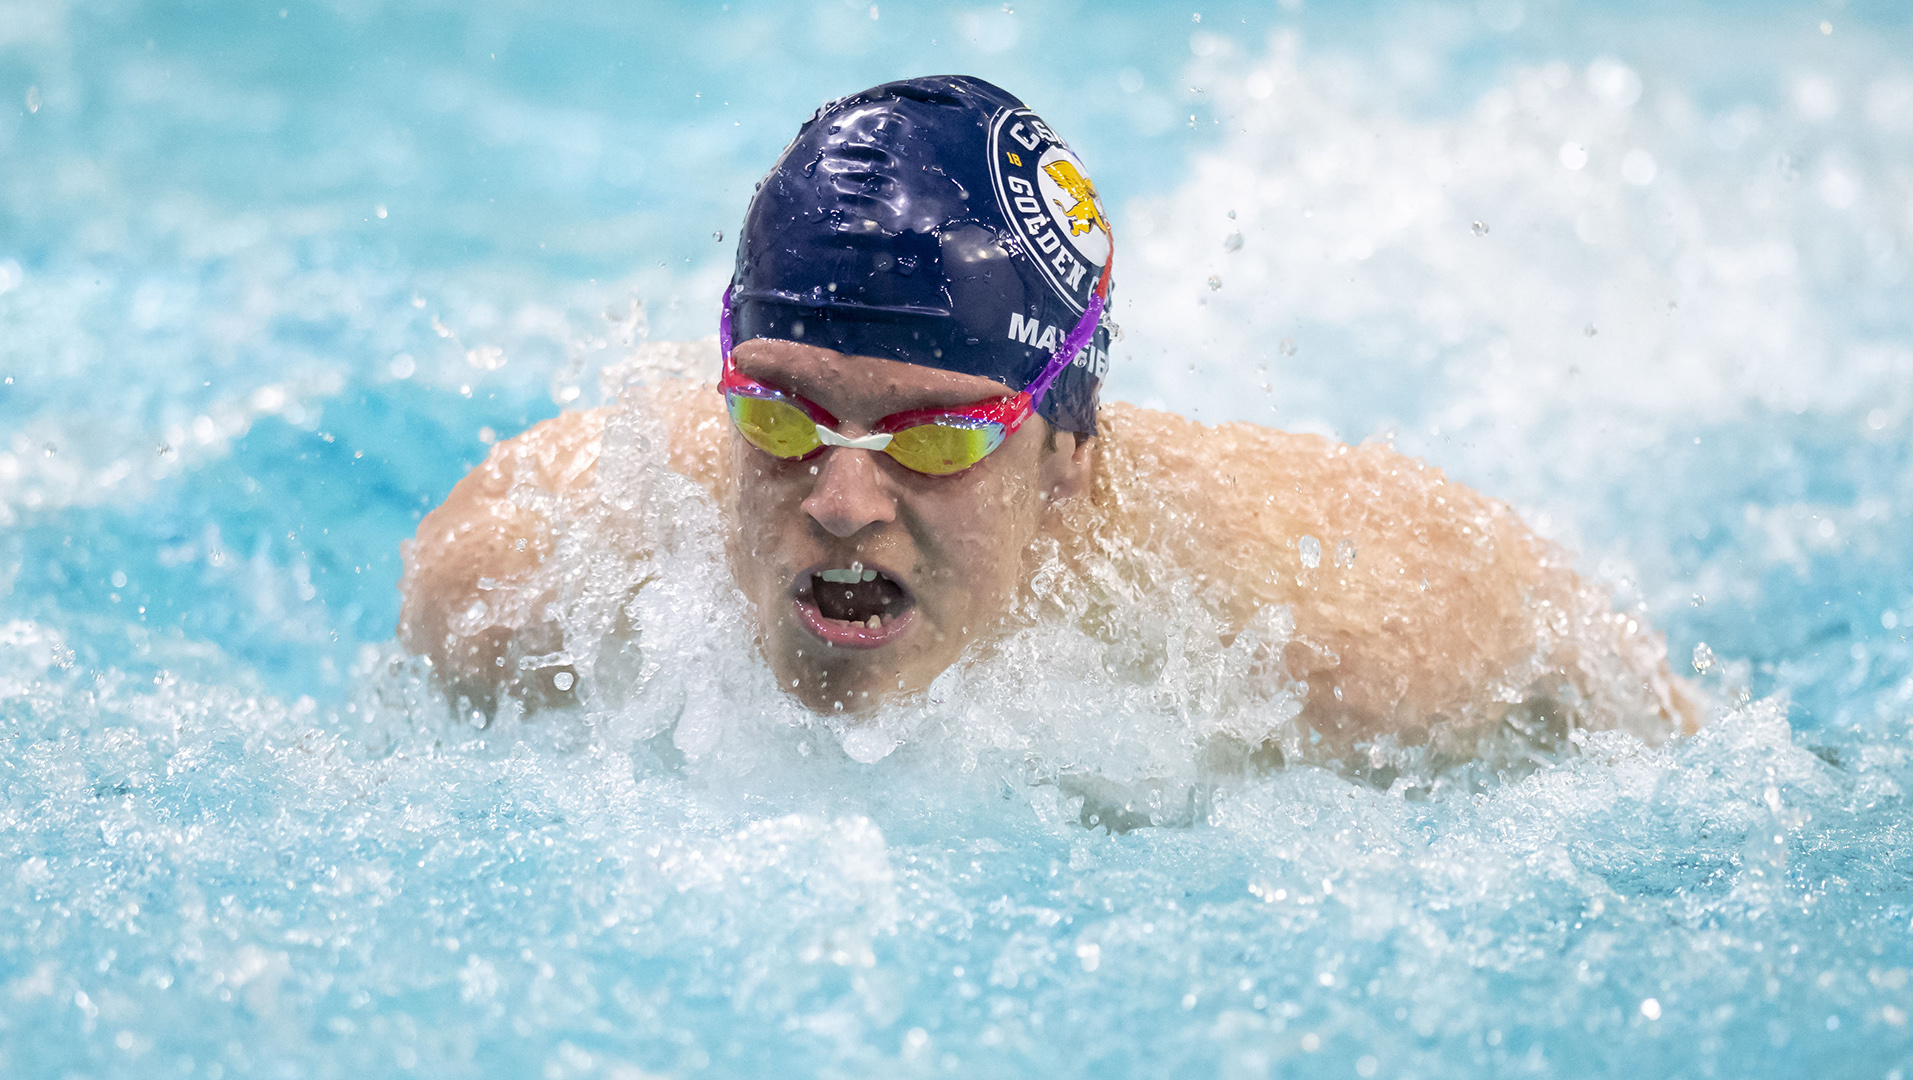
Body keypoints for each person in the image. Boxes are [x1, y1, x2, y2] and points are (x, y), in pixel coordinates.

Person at [398, 75, 1698, 760]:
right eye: (785, 418)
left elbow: (1680, 757)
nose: (844, 503)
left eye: (940, 437)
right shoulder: (518, 578)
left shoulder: (1346, 641)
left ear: (1068, 453)